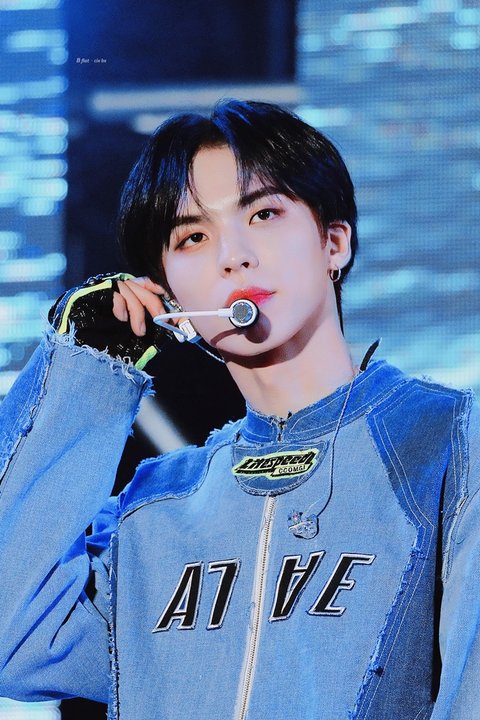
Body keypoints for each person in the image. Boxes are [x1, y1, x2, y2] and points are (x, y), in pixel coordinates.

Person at [0, 100, 478, 720]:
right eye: (193, 237)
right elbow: (14, 638)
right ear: (168, 294)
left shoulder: (450, 441)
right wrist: (82, 375)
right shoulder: (153, 511)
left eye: (264, 213)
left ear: (334, 242)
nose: (234, 255)